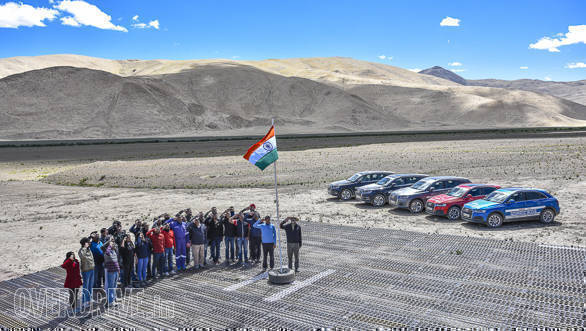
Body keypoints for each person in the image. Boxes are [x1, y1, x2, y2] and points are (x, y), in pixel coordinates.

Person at [102, 237, 120, 306]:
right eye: (112, 245)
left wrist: (118, 270)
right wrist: (109, 243)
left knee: (114, 286)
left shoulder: (114, 251)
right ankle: (110, 301)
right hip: (111, 271)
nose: (113, 245)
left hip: (116, 271)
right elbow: (105, 249)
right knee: (111, 286)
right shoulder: (107, 253)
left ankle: (114, 298)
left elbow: (116, 261)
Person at [78, 237, 95, 308]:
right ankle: (84, 302)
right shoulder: (81, 250)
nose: (89, 243)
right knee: (86, 287)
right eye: (88, 242)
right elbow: (83, 257)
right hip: (86, 271)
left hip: (92, 269)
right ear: (85, 243)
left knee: (90, 286)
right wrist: (85, 247)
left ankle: (89, 299)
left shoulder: (89, 249)